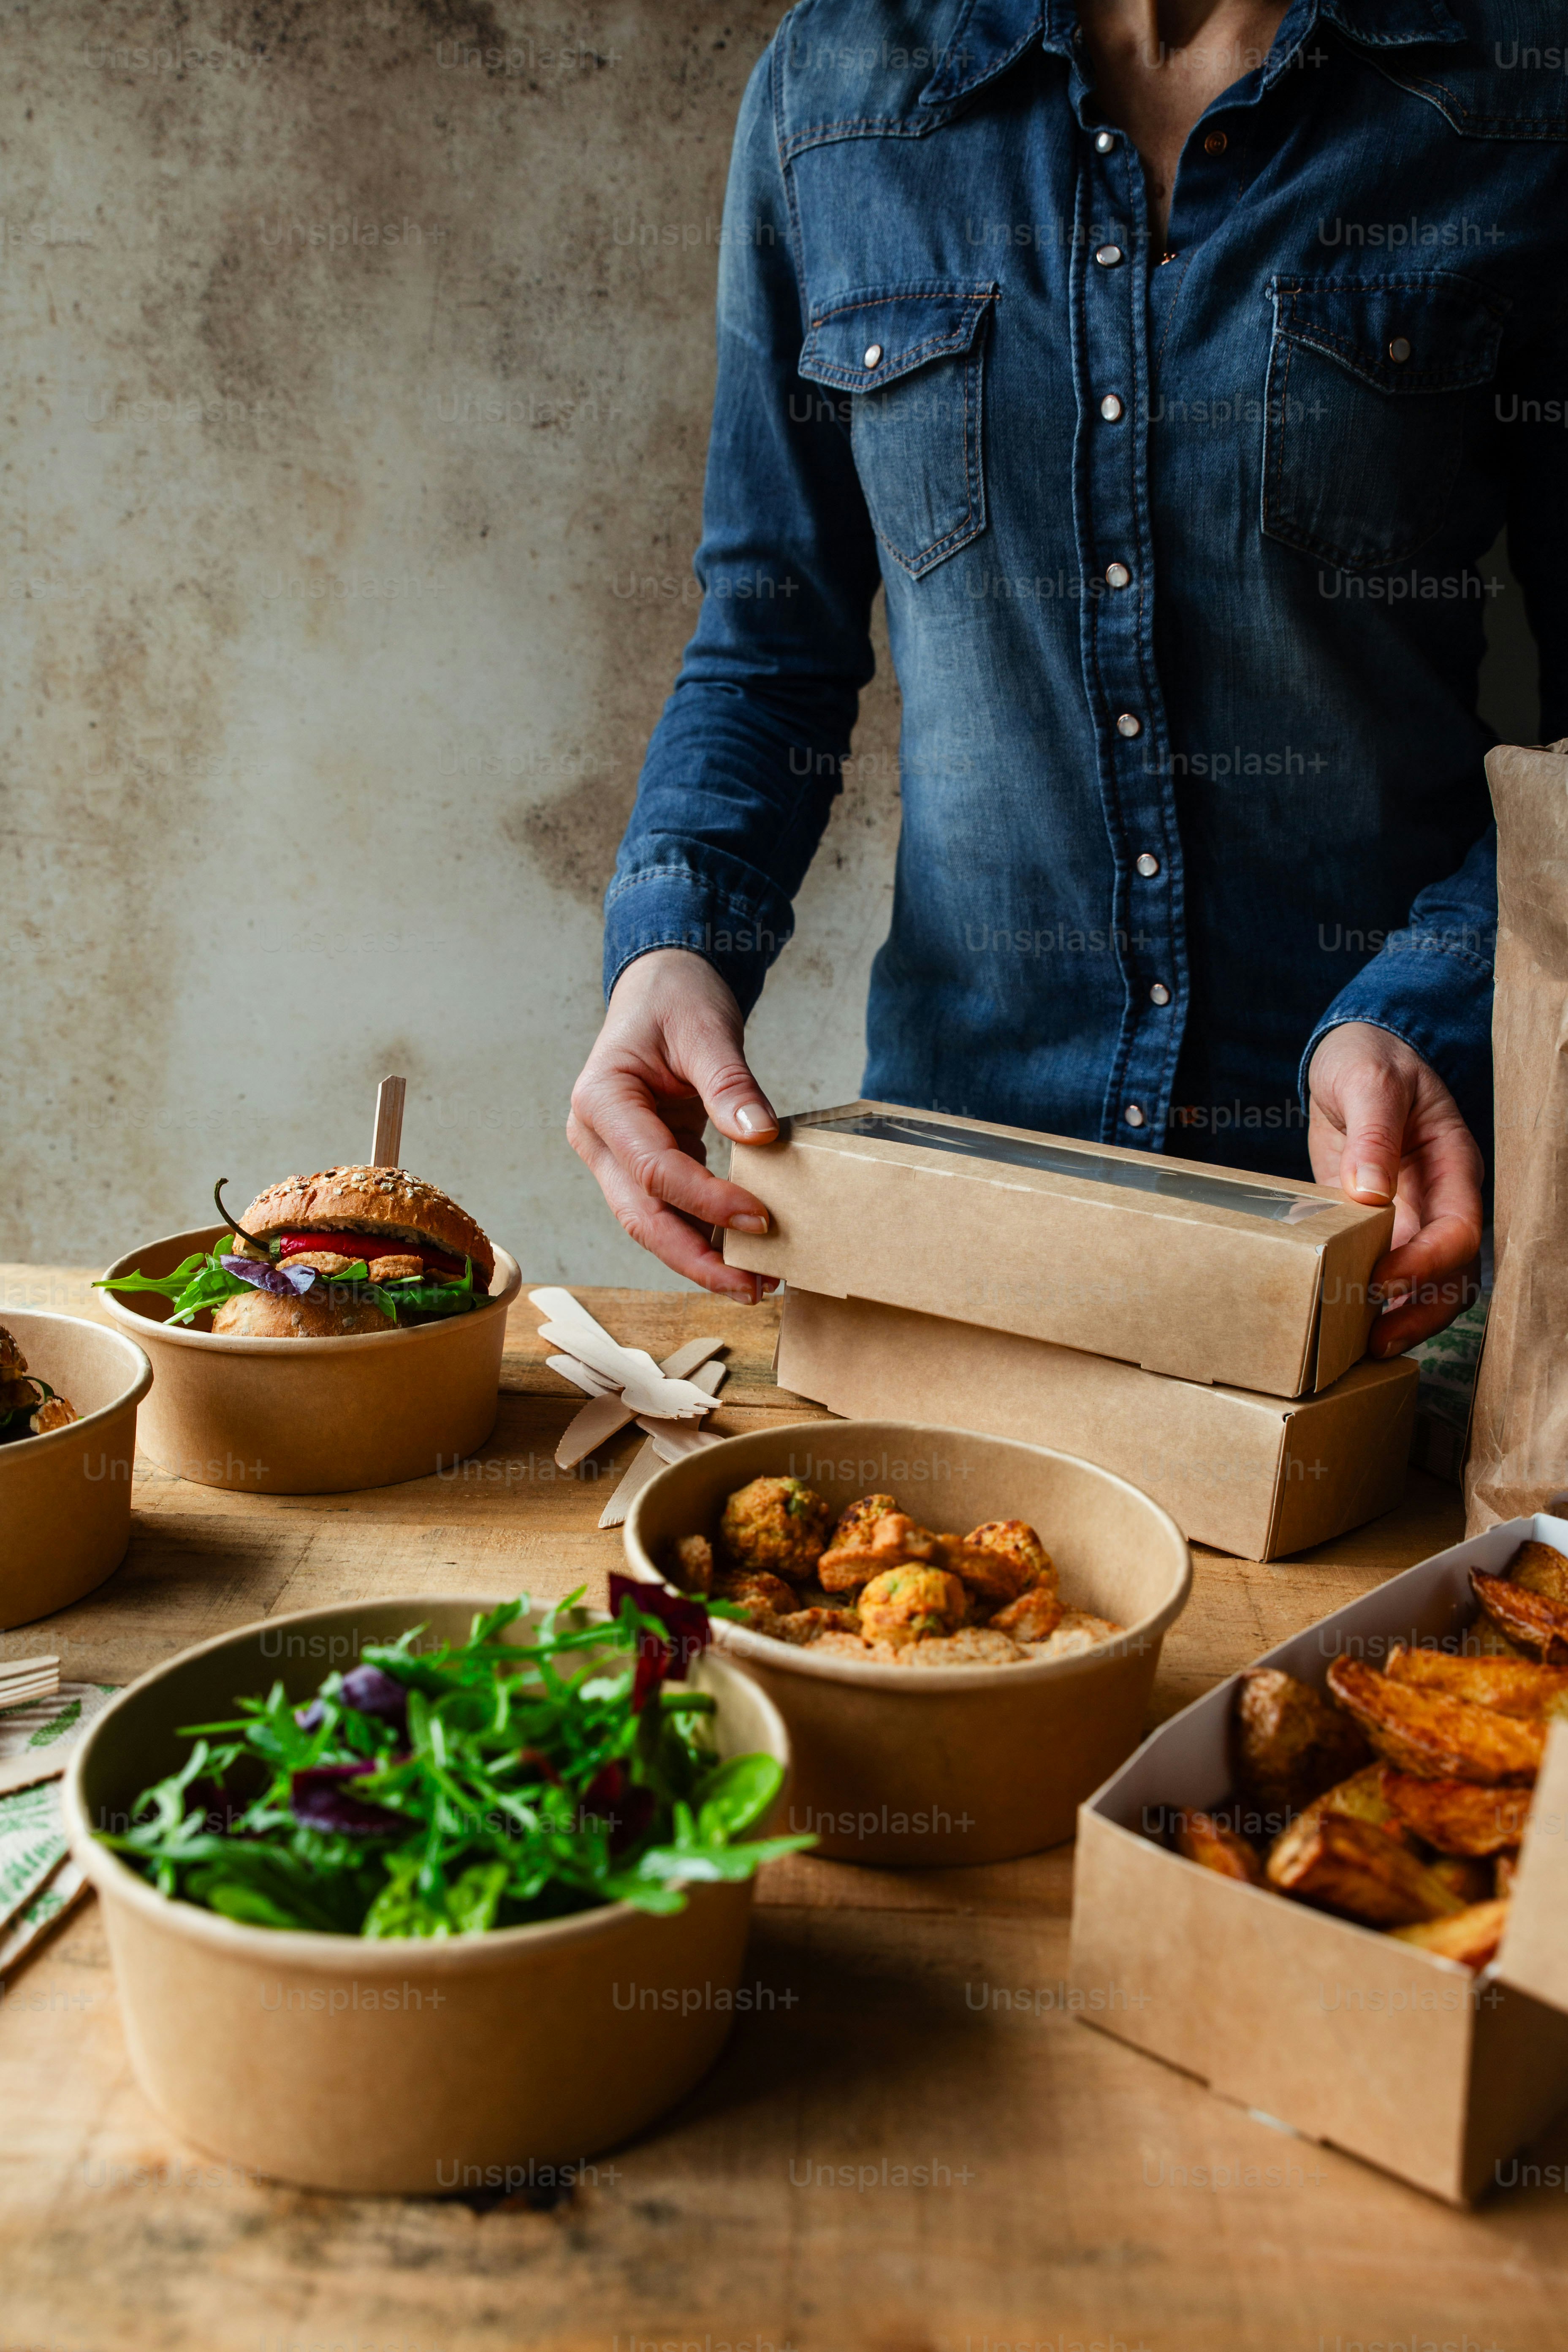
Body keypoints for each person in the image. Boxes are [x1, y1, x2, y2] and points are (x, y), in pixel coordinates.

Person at [572, 0, 1563, 1350]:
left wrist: (1426, 1011)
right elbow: (769, 634)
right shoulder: (836, 85)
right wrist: (674, 948)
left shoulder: (1519, 89)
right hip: (957, 1223)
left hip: (1382, 1222)